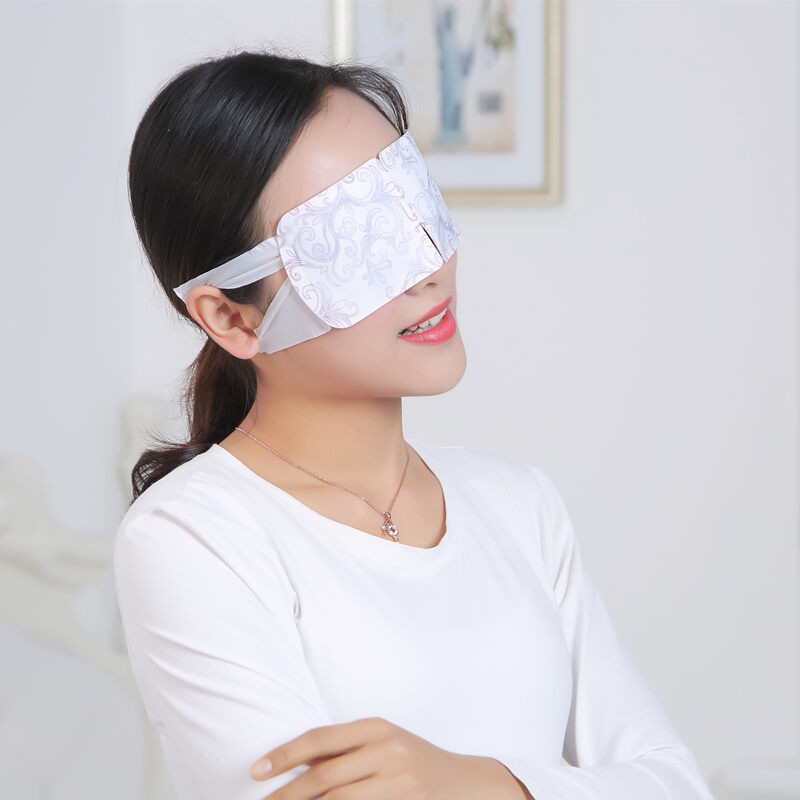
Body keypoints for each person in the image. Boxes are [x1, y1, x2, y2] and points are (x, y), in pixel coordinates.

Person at [113, 50, 714, 800]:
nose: (428, 267)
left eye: (414, 203)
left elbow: (675, 783)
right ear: (232, 317)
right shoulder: (192, 537)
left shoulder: (518, 504)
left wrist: (471, 784)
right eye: (358, 240)